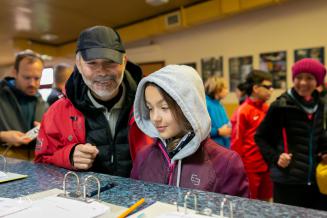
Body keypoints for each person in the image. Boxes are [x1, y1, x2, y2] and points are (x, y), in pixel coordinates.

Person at [34, 26, 151, 177]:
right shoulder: (57, 112)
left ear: (124, 61)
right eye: (92, 63)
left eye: (110, 62)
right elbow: (41, 164)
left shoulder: (150, 104)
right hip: (85, 197)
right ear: (79, 64)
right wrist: (68, 156)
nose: (102, 72)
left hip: (141, 197)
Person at [131, 65, 249, 197]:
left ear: (189, 106)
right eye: (150, 108)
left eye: (164, 107)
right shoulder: (143, 157)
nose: (155, 118)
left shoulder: (226, 163)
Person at [255, 58, 327, 210]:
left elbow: (319, 137)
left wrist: (324, 151)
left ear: (318, 81)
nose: (303, 82)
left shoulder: (321, 105)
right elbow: (260, 137)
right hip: (287, 182)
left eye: (309, 78)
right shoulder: (281, 106)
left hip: (315, 181)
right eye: (299, 77)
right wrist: (276, 158)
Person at [230, 70, 274, 201]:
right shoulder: (242, 111)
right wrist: (238, 170)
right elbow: (236, 143)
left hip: (267, 165)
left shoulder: (267, 108)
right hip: (250, 168)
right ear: (255, 88)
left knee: (265, 203)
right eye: (267, 87)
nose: (271, 91)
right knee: (250, 203)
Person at [0, 50, 47, 160]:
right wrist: (2, 136)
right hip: (5, 165)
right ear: (15, 73)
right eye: (27, 77)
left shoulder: (42, 102)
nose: (32, 84)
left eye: (37, 78)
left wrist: (46, 131)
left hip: (35, 163)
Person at [204, 76, 231, 148]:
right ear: (217, 89)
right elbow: (202, 130)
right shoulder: (205, 104)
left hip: (224, 146)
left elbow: (226, 123)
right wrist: (218, 132)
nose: (227, 91)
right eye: (225, 88)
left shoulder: (219, 104)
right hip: (213, 147)